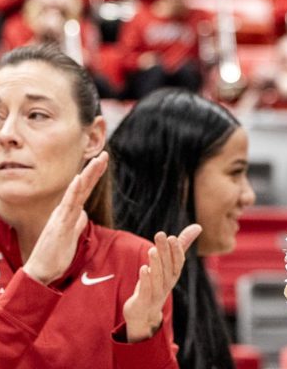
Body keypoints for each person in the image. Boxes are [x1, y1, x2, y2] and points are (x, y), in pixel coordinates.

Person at [0, 44, 201, 367]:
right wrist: (36, 279)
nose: (8, 134)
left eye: (36, 115)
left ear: (93, 137)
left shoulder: (135, 262)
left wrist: (141, 339)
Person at [109, 88, 257, 369]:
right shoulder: (108, 286)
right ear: (178, 179)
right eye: (235, 172)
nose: (248, 195)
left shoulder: (192, 278)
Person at [117, 0, 211, 99]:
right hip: (148, 80)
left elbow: (207, 55)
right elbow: (124, 57)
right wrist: (141, 61)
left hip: (183, 79)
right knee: (156, 72)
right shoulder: (141, 17)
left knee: (187, 72)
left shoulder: (201, 19)